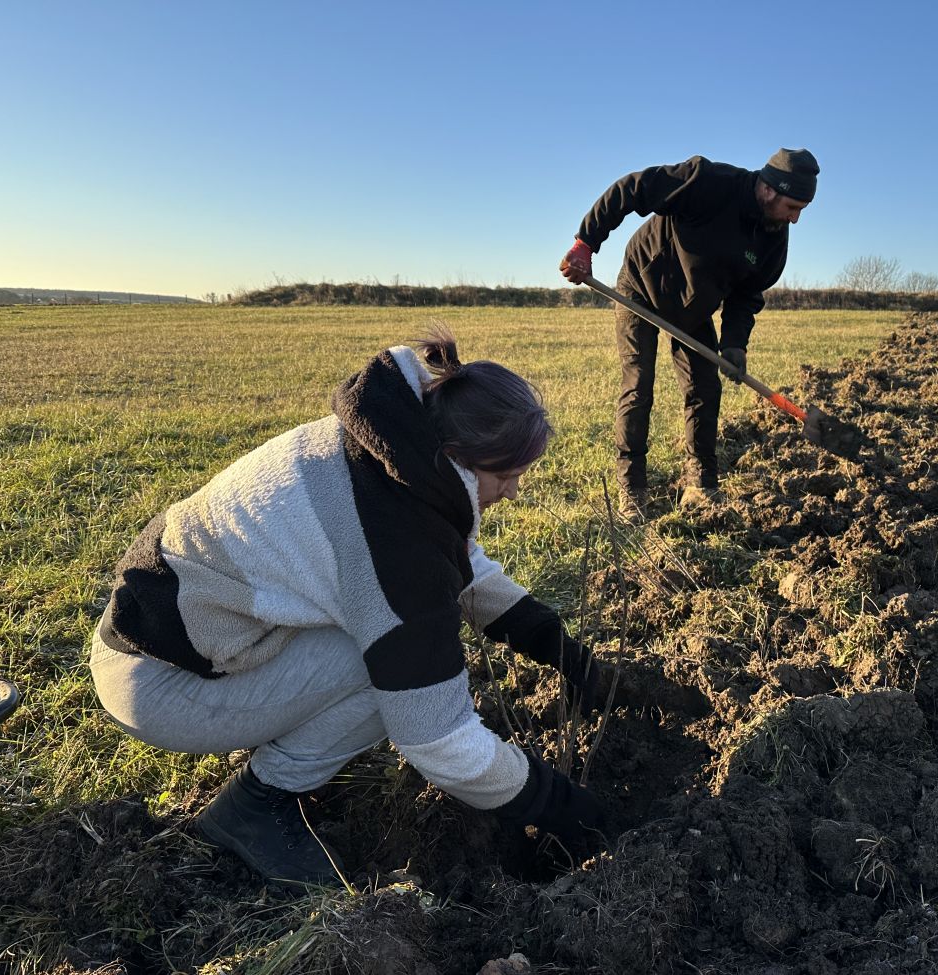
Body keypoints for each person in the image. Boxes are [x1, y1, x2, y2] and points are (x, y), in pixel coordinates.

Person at [90, 330, 606, 887]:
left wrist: (563, 652)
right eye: (504, 475)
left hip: (172, 634)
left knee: (393, 641)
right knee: (390, 668)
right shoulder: (393, 536)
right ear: (456, 459)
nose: (513, 491)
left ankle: (290, 751)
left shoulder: (389, 444)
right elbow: (437, 740)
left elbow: (455, 563)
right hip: (160, 682)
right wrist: (566, 808)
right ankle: (256, 805)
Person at [559, 148, 819, 518]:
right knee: (639, 386)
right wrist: (586, 242)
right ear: (769, 190)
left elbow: (747, 295)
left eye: (801, 210)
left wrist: (735, 344)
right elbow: (632, 188)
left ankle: (702, 483)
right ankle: (633, 489)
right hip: (641, 287)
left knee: (705, 388)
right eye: (793, 207)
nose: (795, 219)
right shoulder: (708, 182)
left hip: (693, 307)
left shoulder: (772, 237)